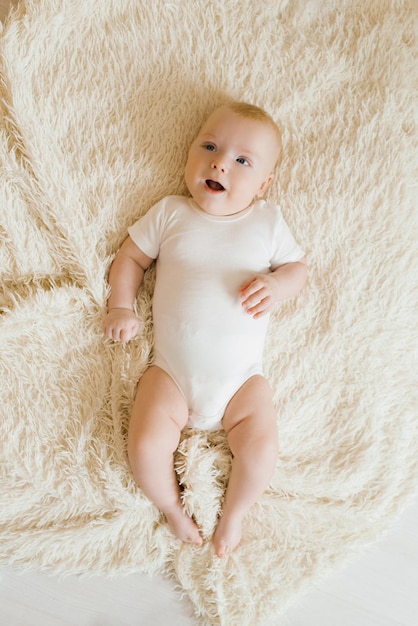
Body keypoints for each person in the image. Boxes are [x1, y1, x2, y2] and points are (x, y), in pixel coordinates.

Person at [102, 101, 307, 558]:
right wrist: (121, 305)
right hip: (171, 372)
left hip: (242, 381)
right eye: (210, 147)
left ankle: (235, 512)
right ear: (190, 154)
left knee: (261, 449)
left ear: (263, 184)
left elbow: (298, 269)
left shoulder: (266, 222)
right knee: (145, 442)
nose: (220, 162)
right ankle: (172, 508)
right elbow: (130, 258)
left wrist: (277, 284)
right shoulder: (171, 212)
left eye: (241, 160)